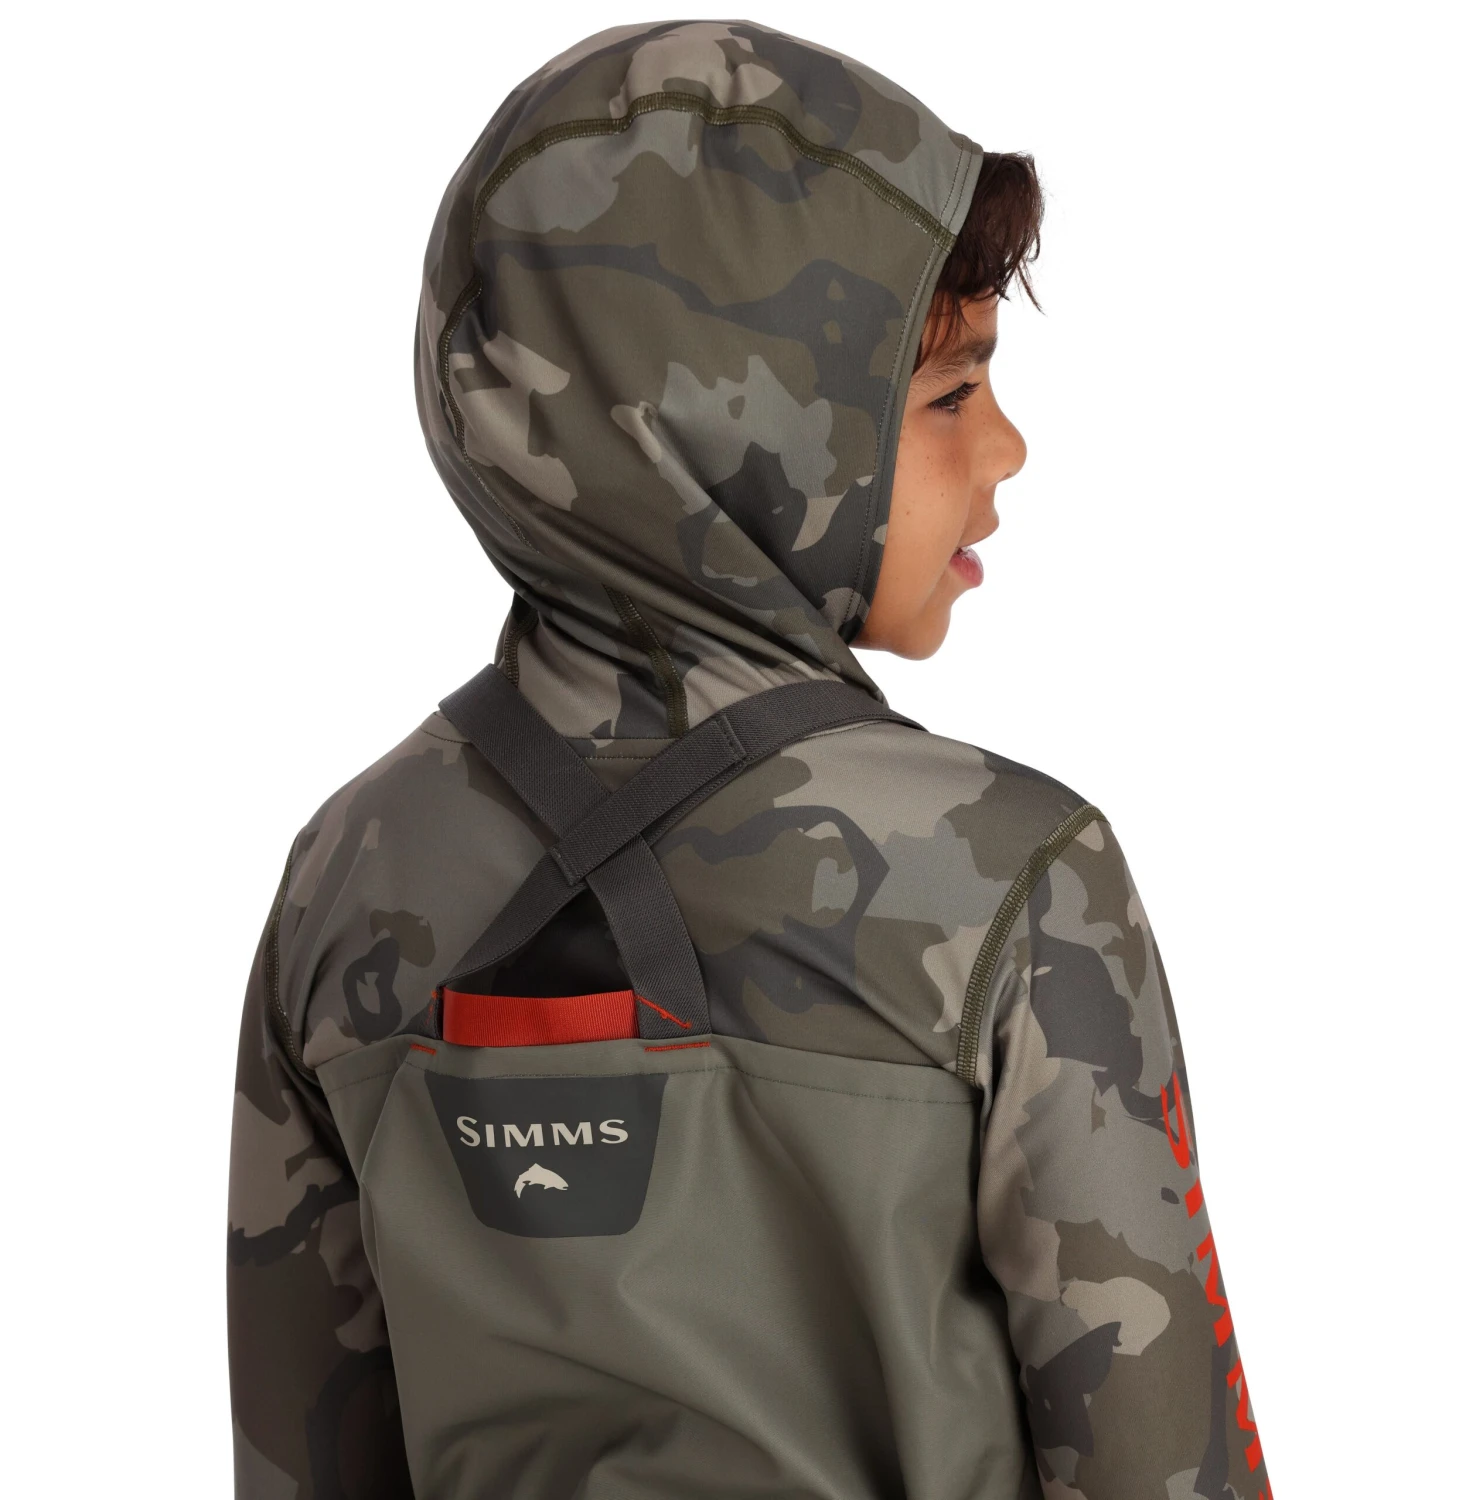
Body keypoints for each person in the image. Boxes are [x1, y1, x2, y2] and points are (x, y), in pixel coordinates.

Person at [228, 21, 1270, 1500]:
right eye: (951, 394)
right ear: (739, 430)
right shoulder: (1017, 884)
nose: (1009, 449)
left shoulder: (344, 879)